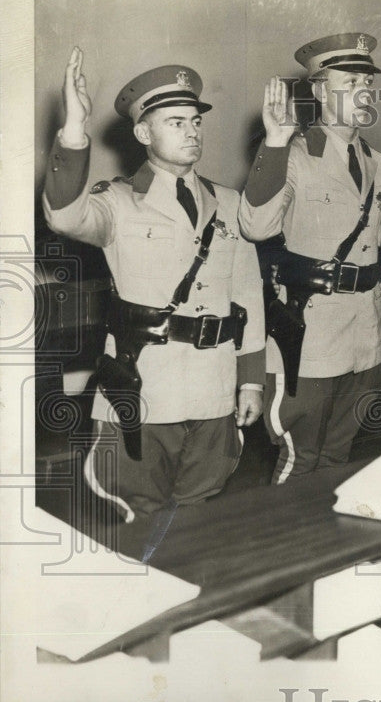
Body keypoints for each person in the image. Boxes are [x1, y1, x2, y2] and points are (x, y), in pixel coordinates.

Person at [43, 48, 265, 522]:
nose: (191, 131)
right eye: (175, 122)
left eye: (195, 121)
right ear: (143, 133)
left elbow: (247, 295)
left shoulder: (228, 204)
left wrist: (251, 381)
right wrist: (74, 130)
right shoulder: (117, 202)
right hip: (144, 391)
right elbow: (64, 215)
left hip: (214, 389)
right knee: (139, 519)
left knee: (201, 517)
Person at [238, 33, 381, 481]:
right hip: (310, 334)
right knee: (298, 458)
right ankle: (288, 549)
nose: (364, 91)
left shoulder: (377, 162)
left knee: (341, 459)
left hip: (365, 332)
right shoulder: (295, 155)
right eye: (349, 81)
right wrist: (275, 144)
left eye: (367, 80)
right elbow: (256, 226)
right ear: (320, 90)